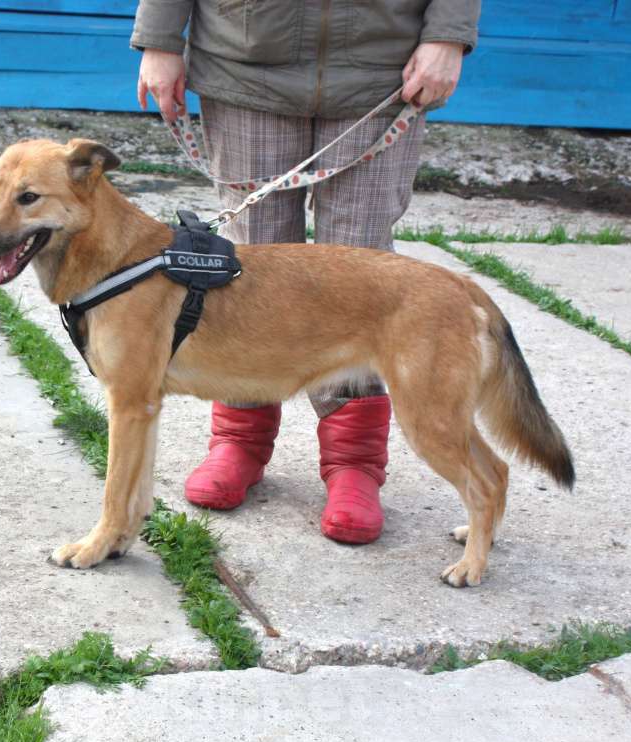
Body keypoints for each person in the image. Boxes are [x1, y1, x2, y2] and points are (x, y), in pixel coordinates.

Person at [132, 1, 480, 544]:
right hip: (246, 61)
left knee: (366, 286)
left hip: (382, 67)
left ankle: (354, 462)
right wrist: (159, 39)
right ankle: (240, 440)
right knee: (248, 274)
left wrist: (450, 36)